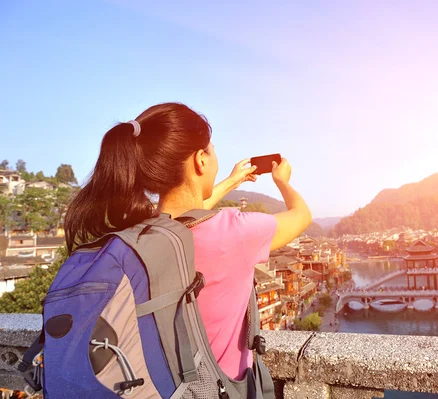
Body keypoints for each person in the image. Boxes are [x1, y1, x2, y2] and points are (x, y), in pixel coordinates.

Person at [64, 102, 312, 381]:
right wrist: (283, 182)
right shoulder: (237, 232)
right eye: (212, 150)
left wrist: (232, 181)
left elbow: (187, 216)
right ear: (200, 161)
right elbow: (301, 216)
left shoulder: (140, 232)